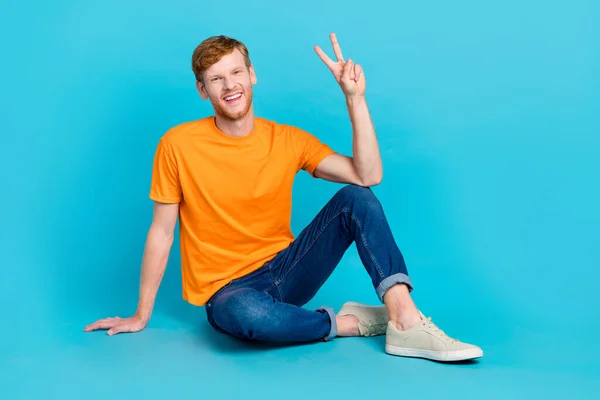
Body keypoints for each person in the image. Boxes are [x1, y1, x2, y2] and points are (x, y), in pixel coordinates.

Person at [84, 33, 483, 362]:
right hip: (228, 292)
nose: (230, 85)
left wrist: (355, 99)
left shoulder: (287, 139)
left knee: (356, 198)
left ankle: (405, 322)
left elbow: (368, 175)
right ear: (202, 90)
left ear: (252, 74)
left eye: (237, 71)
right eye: (216, 78)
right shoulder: (177, 145)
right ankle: (348, 323)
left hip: (286, 270)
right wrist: (141, 314)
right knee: (247, 316)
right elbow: (161, 233)